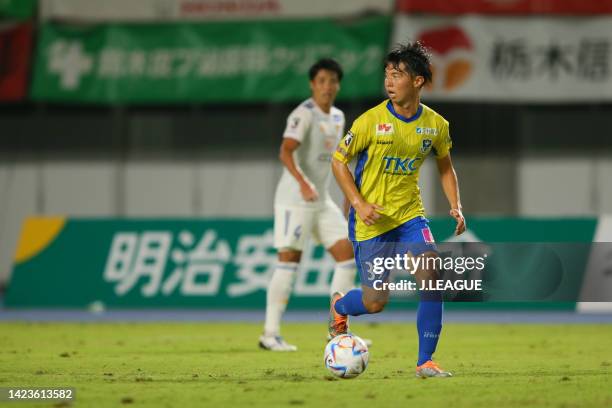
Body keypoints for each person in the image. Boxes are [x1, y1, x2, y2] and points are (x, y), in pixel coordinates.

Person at [329, 41, 466, 377]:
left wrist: (456, 205)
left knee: (432, 274)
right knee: (375, 302)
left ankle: (425, 361)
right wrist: (359, 203)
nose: (389, 81)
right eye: (387, 74)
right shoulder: (369, 122)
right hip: (371, 222)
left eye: (397, 74)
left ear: (418, 81)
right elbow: (338, 161)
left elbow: (445, 165)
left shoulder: (435, 125)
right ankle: (339, 306)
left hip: (409, 216)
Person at [259, 58, 359, 351]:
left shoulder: (338, 118)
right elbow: (285, 152)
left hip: (322, 199)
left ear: (338, 85)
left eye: (332, 81)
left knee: (347, 255)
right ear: (312, 84)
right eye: (322, 81)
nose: (327, 86)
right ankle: (270, 333)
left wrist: (347, 196)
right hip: (295, 199)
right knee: (289, 260)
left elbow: (337, 162)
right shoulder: (303, 114)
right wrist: (303, 183)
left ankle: (338, 329)